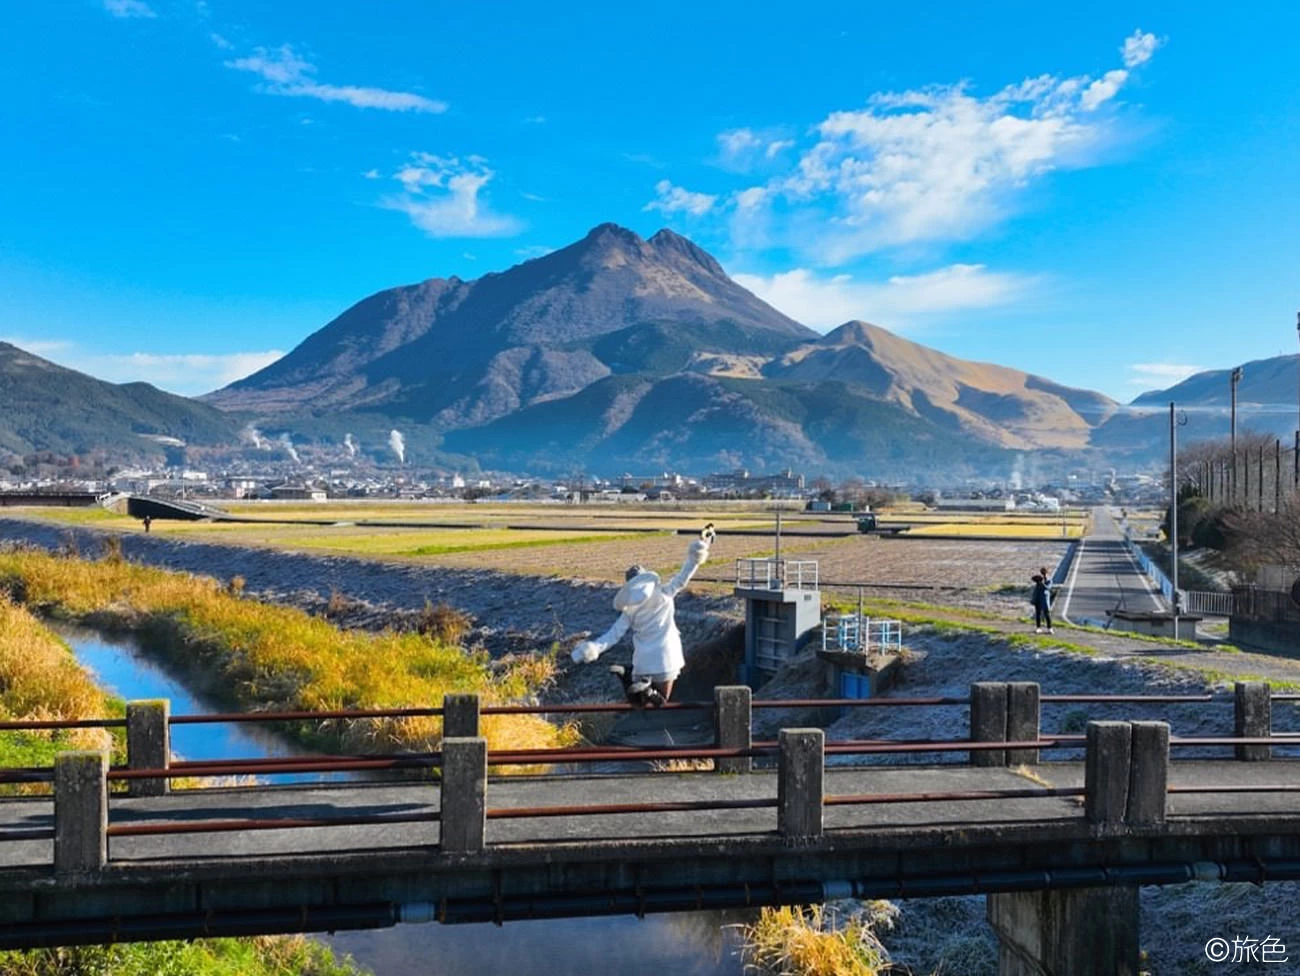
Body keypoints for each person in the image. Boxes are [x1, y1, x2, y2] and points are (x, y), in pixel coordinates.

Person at [571, 525, 714, 707]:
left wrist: (592, 649)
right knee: (660, 701)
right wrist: (700, 548)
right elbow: (684, 575)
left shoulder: (629, 610)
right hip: (665, 657)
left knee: (638, 703)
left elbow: (612, 636)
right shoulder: (664, 593)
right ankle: (644, 687)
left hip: (642, 660)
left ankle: (627, 676)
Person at [1030, 569, 1053, 634]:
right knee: (1038, 614)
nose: (1043, 574)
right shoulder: (1040, 579)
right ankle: (1038, 628)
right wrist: (1037, 580)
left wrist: (1042, 583)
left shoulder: (1049, 580)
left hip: (1045, 599)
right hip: (1038, 598)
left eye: (1044, 573)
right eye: (1042, 573)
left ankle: (1050, 628)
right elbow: (1033, 580)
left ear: (1046, 573)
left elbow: (1048, 588)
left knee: (1047, 614)